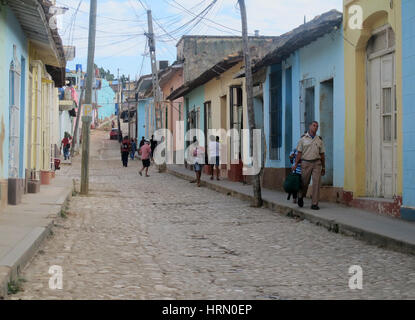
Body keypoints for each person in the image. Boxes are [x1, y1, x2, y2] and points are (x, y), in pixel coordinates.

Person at [292, 121, 326, 210]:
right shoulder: (302, 139)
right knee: (304, 183)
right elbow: (299, 153)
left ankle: (314, 204)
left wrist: (323, 167)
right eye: (314, 126)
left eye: (317, 126)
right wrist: (295, 164)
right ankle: (300, 196)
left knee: (316, 184)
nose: (315, 127)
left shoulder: (319, 140)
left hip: (317, 163)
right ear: (310, 126)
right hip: (305, 163)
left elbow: (322, 154)